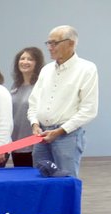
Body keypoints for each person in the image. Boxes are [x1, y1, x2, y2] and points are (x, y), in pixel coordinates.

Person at [28, 25, 98, 177]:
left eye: (54, 43)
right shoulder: (46, 70)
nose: (50, 47)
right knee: (40, 182)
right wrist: (34, 124)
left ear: (71, 43)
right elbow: (33, 101)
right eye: (48, 43)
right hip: (41, 135)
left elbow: (89, 109)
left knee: (66, 182)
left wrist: (59, 131)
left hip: (67, 136)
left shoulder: (87, 69)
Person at [10, 47, 44, 167]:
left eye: (30, 59)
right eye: (22, 58)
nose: (25, 62)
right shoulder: (15, 85)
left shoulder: (41, 86)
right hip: (16, 142)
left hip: (33, 142)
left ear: (37, 63)